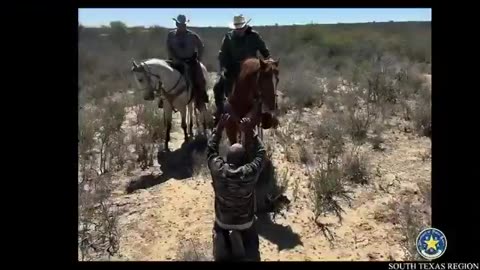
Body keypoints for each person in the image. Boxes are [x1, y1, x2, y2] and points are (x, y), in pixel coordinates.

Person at [207, 114, 266, 261]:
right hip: (245, 222)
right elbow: (261, 153)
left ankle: (222, 240)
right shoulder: (249, 172)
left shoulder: (219, 170)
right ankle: (243, 243)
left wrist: (219, 129)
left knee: (219, 225)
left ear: (227, 159)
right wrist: (252, 133)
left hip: (223, 221)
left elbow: (211, 150)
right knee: (253, 240)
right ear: (245, 160)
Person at [213, 15, 273, 122]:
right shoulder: (228, 37)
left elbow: (264, 51)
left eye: (241, 27)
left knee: (266, 84)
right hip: (233, 69)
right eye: (237, 28)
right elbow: (222, 55)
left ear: (245, 26)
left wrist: (269, 59)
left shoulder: (254, 36)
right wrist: (222, 68)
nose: (239, 30)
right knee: (217, 86)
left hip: (252, 69)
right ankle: (221, 112)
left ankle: (267, 112)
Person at [150, 14, 208, 108]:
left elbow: (201, 46)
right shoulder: (171, 35)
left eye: (183, 25)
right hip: (175, 61)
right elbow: (169, 48)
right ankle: (163, 99)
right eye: (179, 24)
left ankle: (201, 98)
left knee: (199, 78)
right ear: (176, 24)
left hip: (191, 61)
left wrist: (198, 58)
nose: (181, 26)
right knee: (163, 76)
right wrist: (173, 58)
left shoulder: (192, 35)